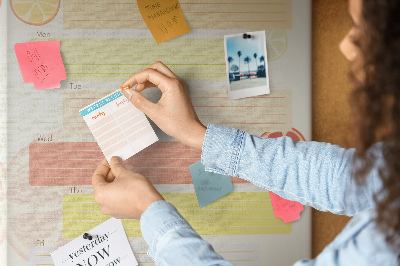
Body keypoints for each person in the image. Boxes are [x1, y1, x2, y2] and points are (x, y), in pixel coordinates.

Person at [91, 0, 400, 264]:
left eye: (363, 30)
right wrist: (196, 134)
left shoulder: (385, 248)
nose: (345, 46)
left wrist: (149, 209)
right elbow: (343, 178)